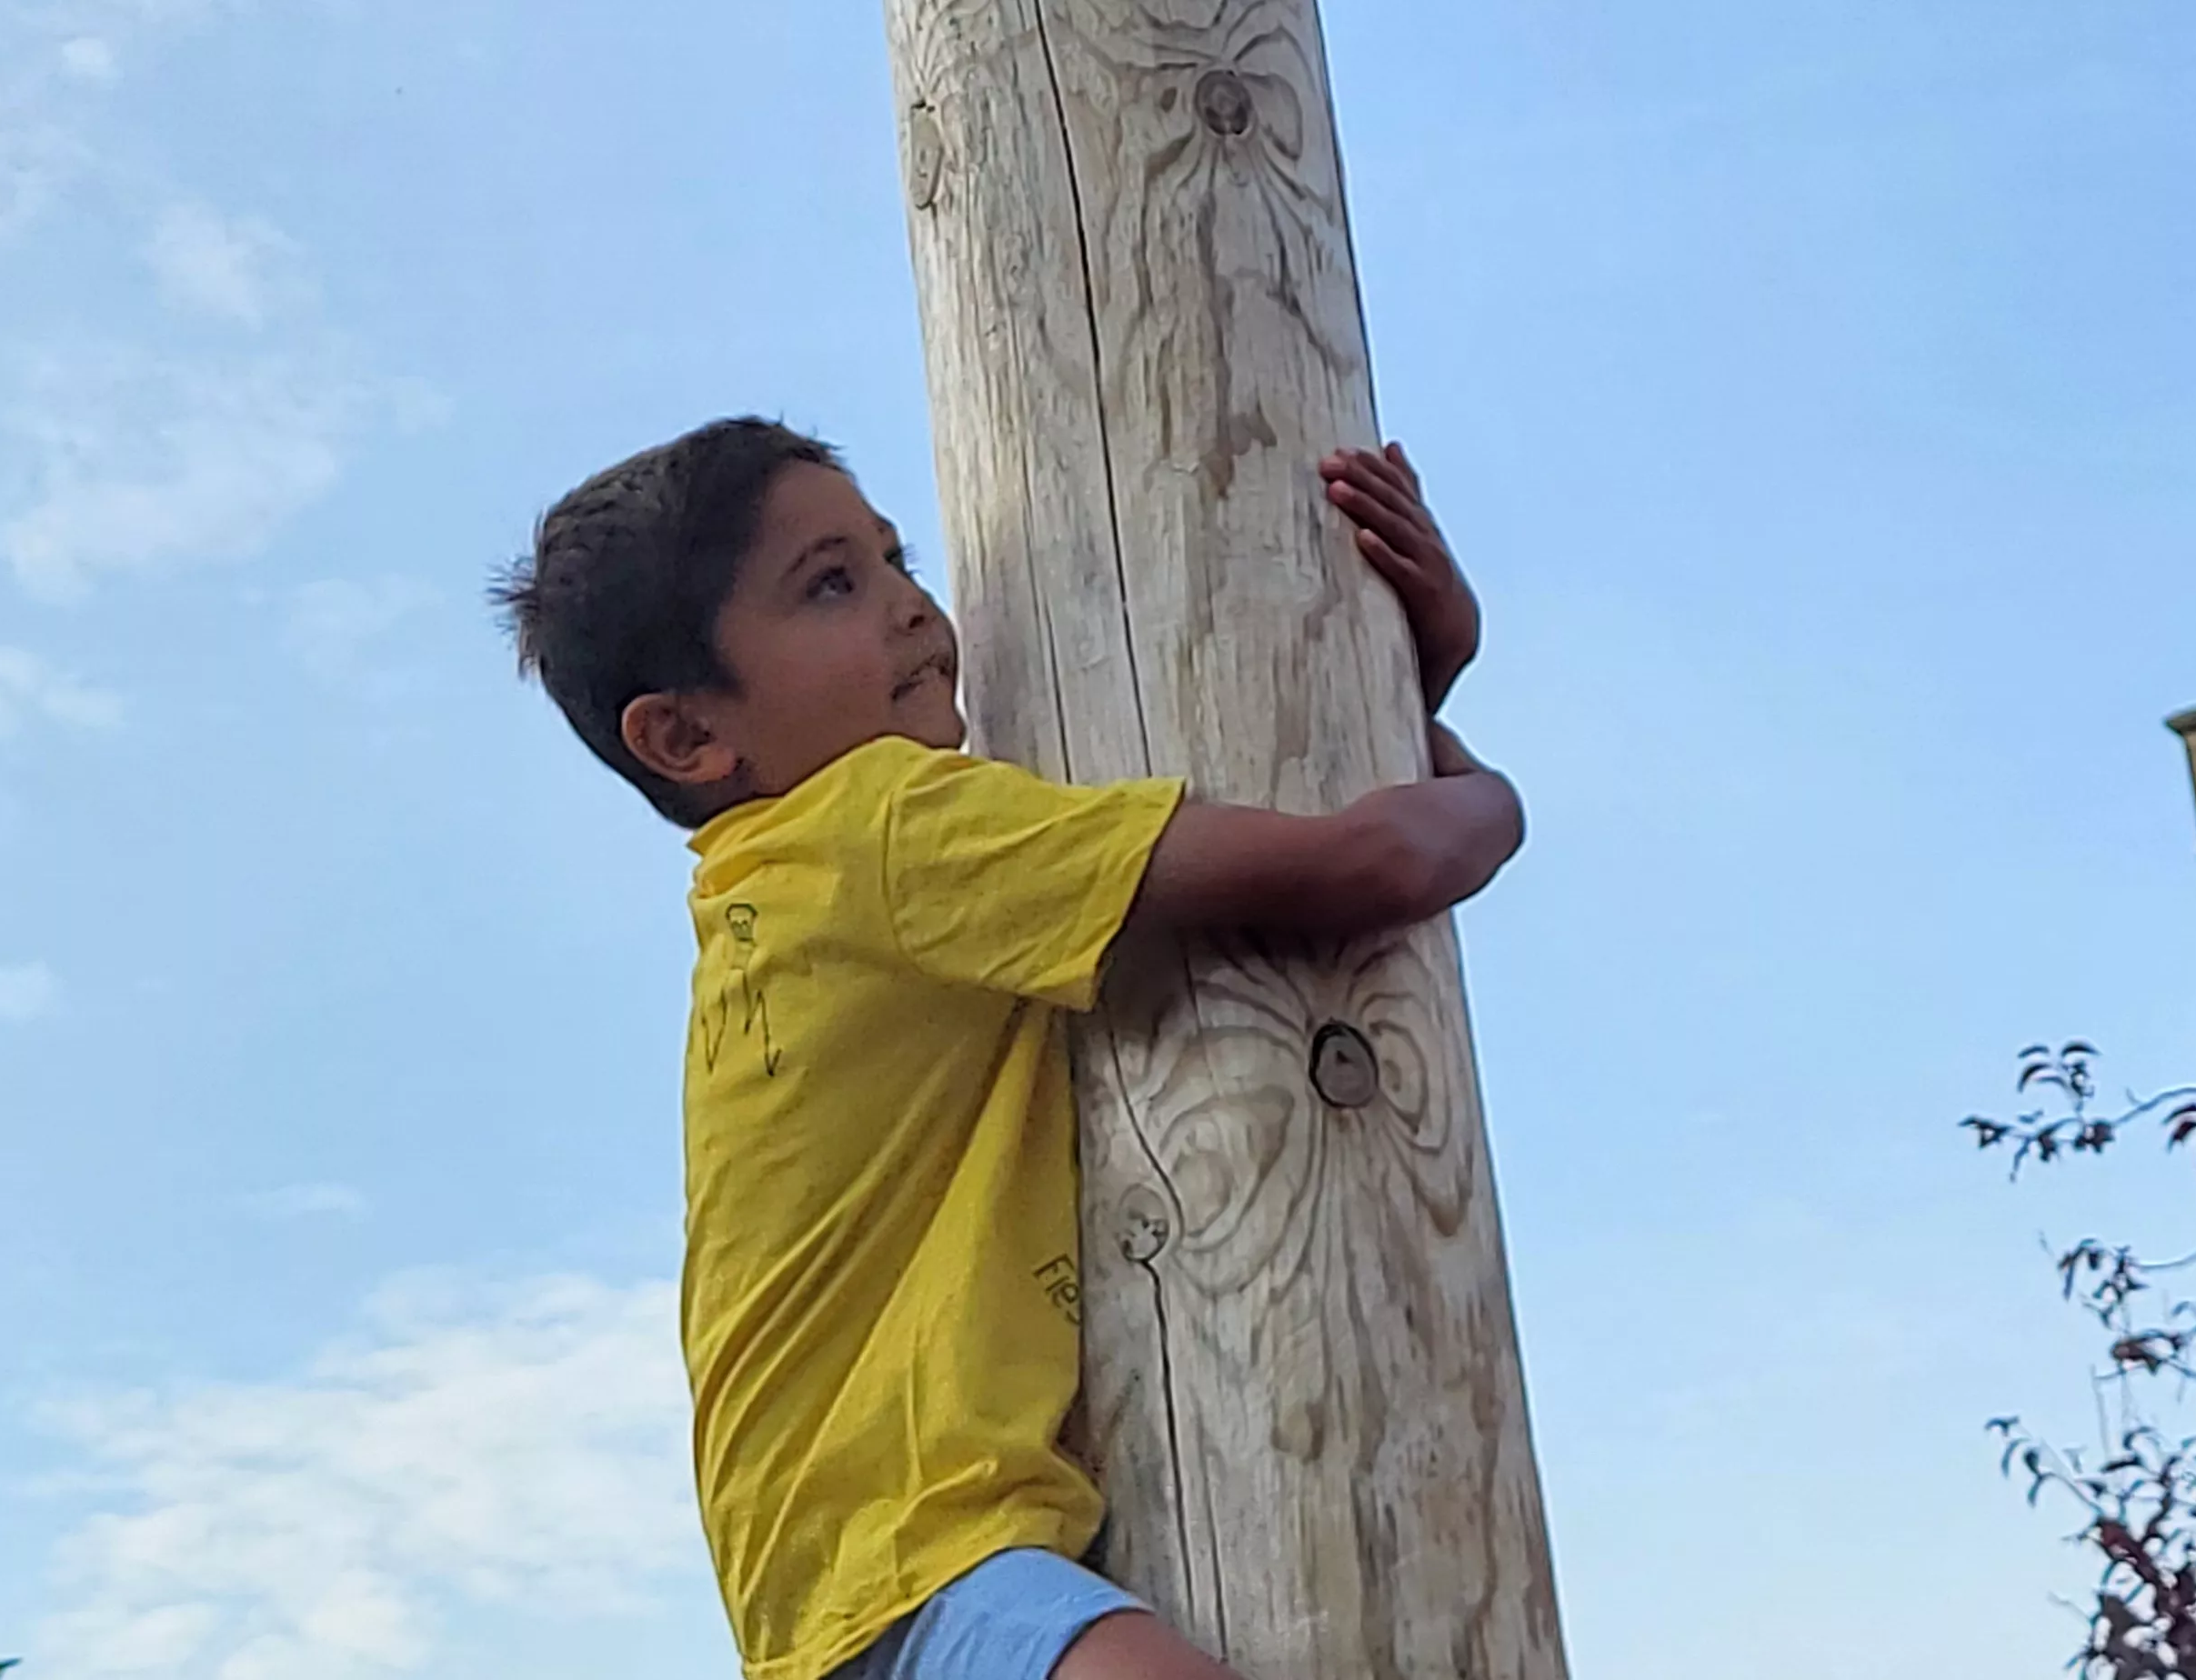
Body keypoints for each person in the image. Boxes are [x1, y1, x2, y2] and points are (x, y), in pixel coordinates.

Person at [495, 418, 1521, 1680]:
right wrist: (1478, 772)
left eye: (892, 557)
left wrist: (1406, 675)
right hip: (920, 1564)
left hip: (842, 1587)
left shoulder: (788, 888)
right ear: (690, 739)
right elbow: (1380, 861)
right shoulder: (885, 829)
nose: (915, 610)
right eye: (829, 584)